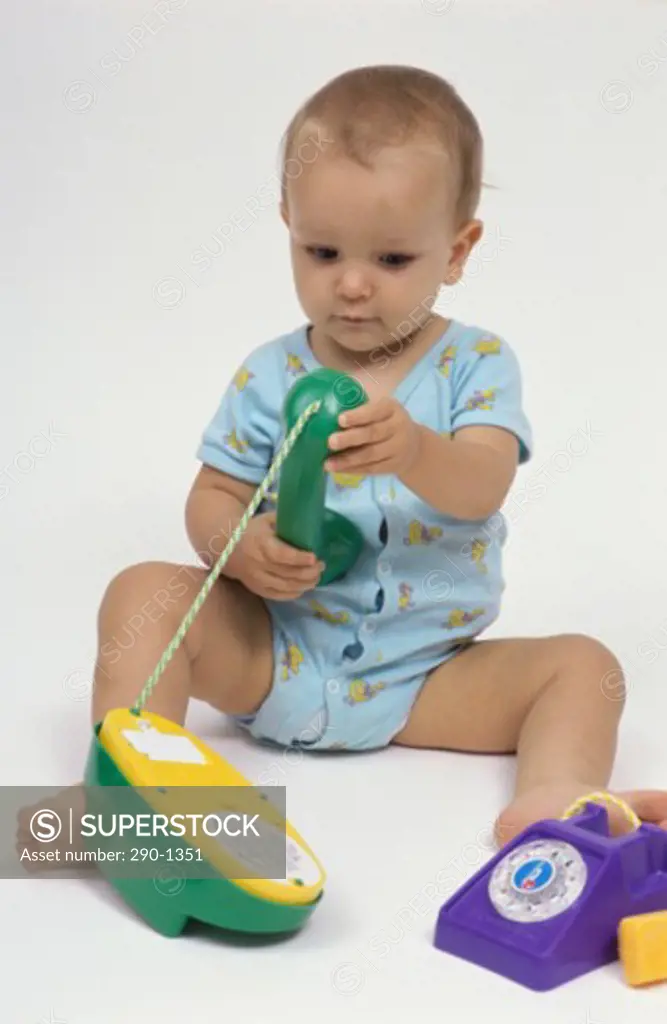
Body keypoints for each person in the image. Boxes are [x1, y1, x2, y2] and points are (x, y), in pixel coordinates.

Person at [17, 64, 667, 863]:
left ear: (457, 250)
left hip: (428, 679)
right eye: (322, 251)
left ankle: (550, 803)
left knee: (585, 669)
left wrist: (418, 450)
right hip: (272, 652)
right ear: (287, 223)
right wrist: (239, 544)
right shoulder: (269, 374)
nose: (352, 286)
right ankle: (128, 793)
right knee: (143, 592)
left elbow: (484, 482)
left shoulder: (477, 364)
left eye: (393, 260)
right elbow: (213, 495)